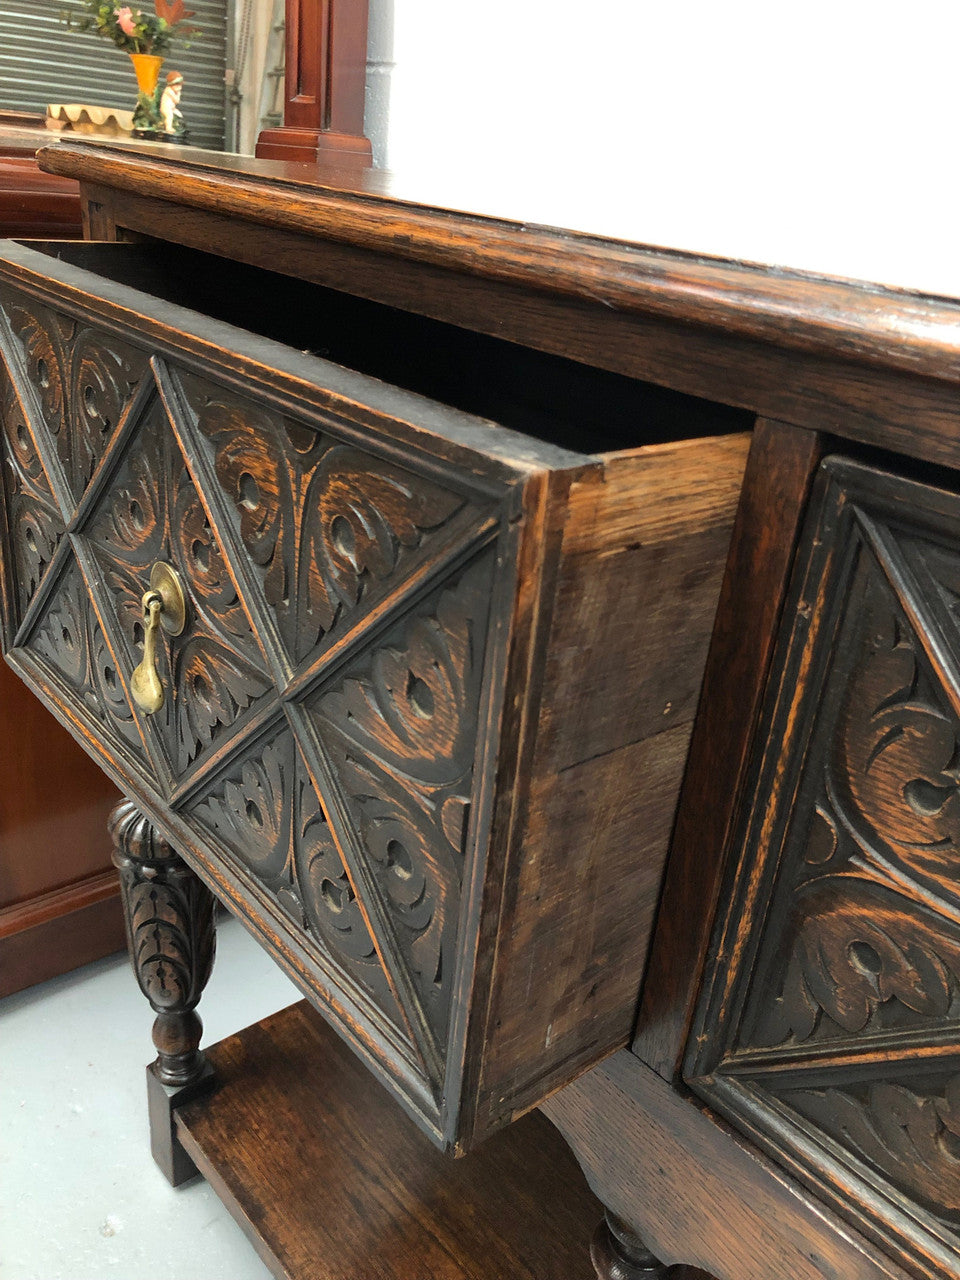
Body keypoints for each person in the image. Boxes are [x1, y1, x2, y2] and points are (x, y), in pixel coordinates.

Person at [159, 71, 184, 136]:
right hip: (166, 108)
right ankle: (168, 127)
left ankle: (175, 125)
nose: (179, 87)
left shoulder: (176, 92)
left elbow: (177, 101)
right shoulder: (168, 90)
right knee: (169, 116)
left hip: (172, 108)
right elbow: (176, 100)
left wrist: (178, 93)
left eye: (180, 85)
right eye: (176, 85)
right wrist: (178, 93)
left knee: (179, 115)